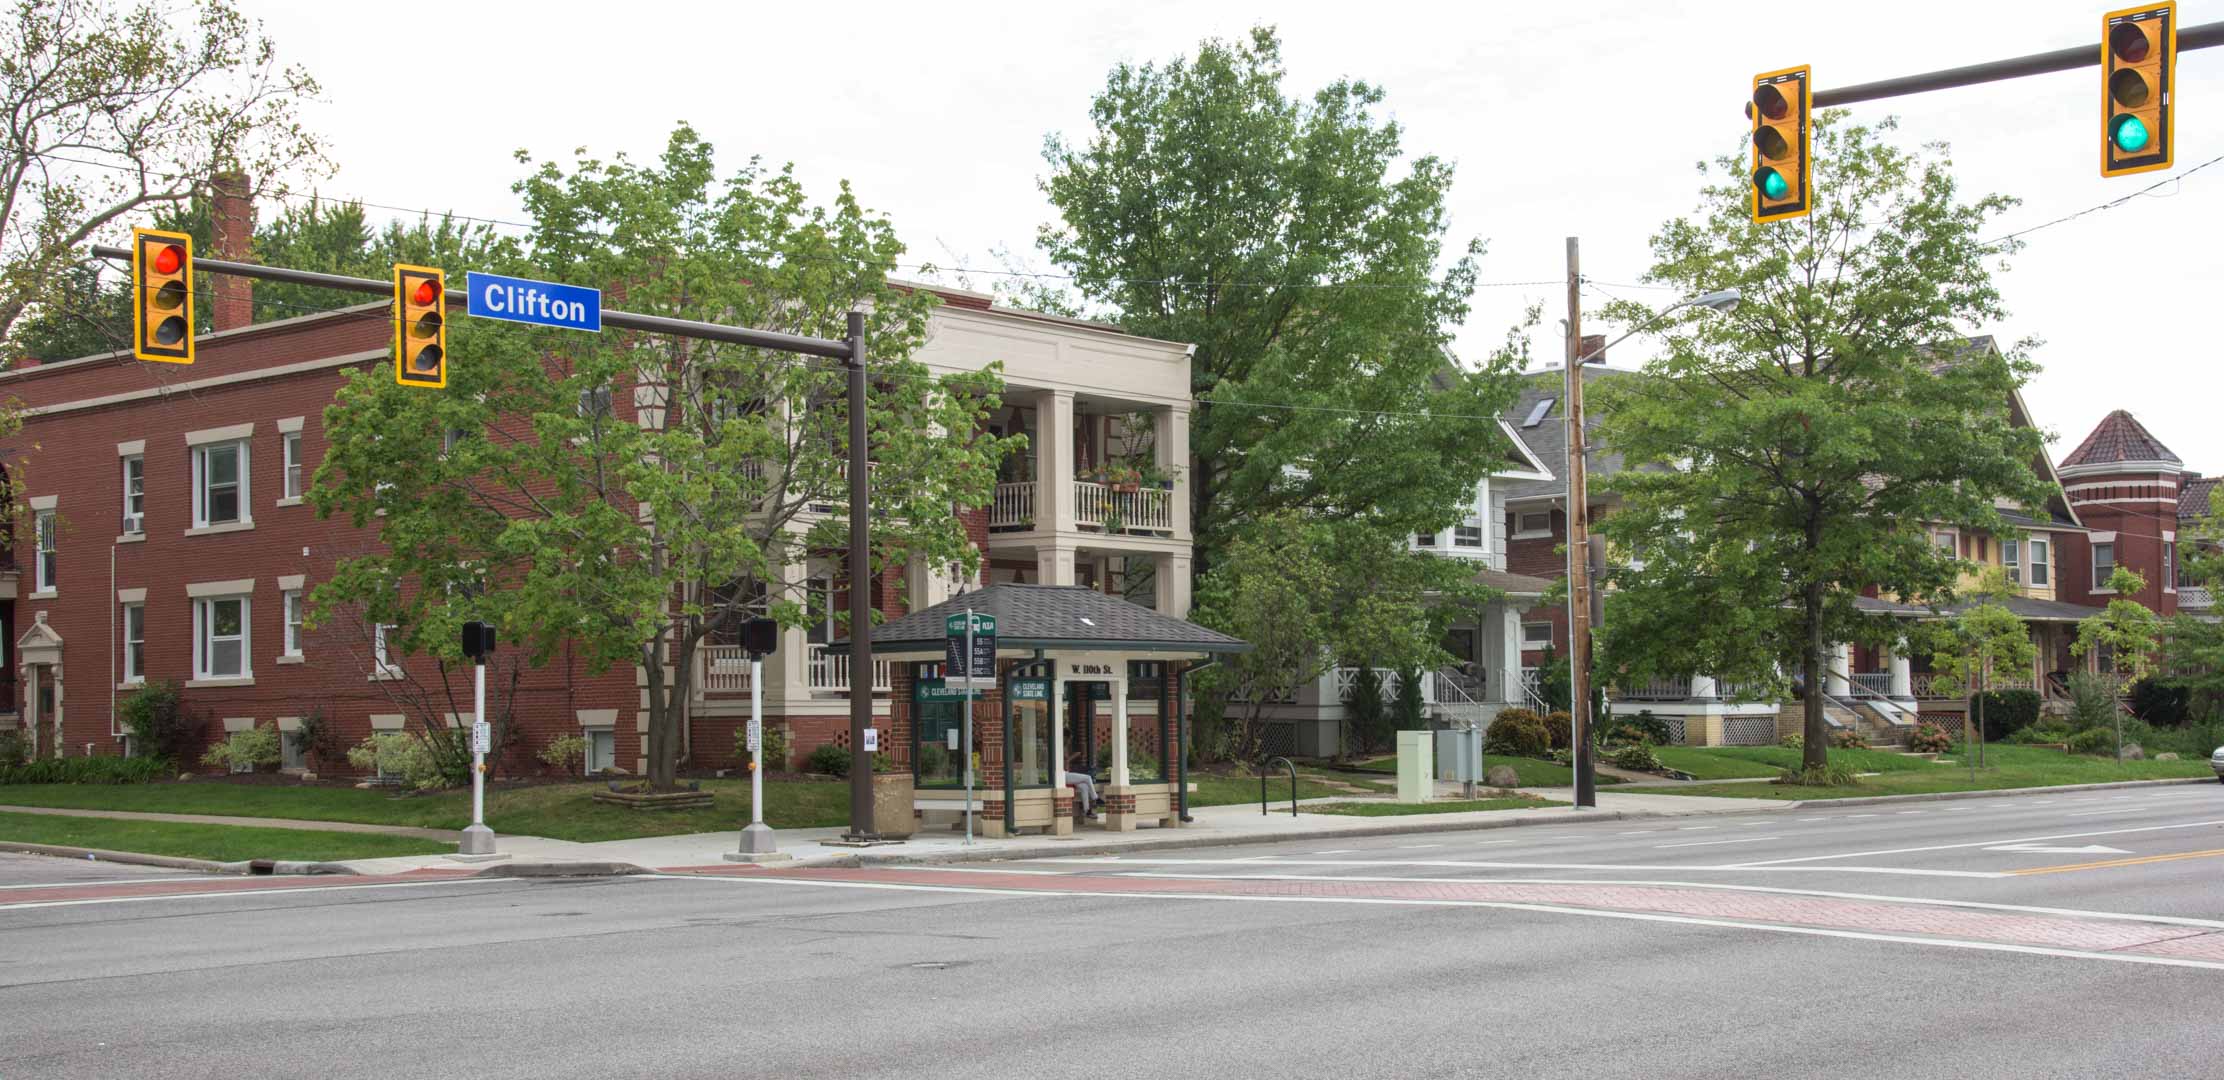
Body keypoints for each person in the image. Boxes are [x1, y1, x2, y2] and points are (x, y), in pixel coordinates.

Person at [1064, 755, 1100, 819]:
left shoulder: (1065, 757)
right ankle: (1095, 798)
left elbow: (1066, 764)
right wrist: (1071, 757)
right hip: (1063, 776)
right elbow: (1065, 763)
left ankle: (1087, 811)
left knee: (1084, 787)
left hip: (1068, 776)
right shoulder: (1058, 755)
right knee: (1088, 778)